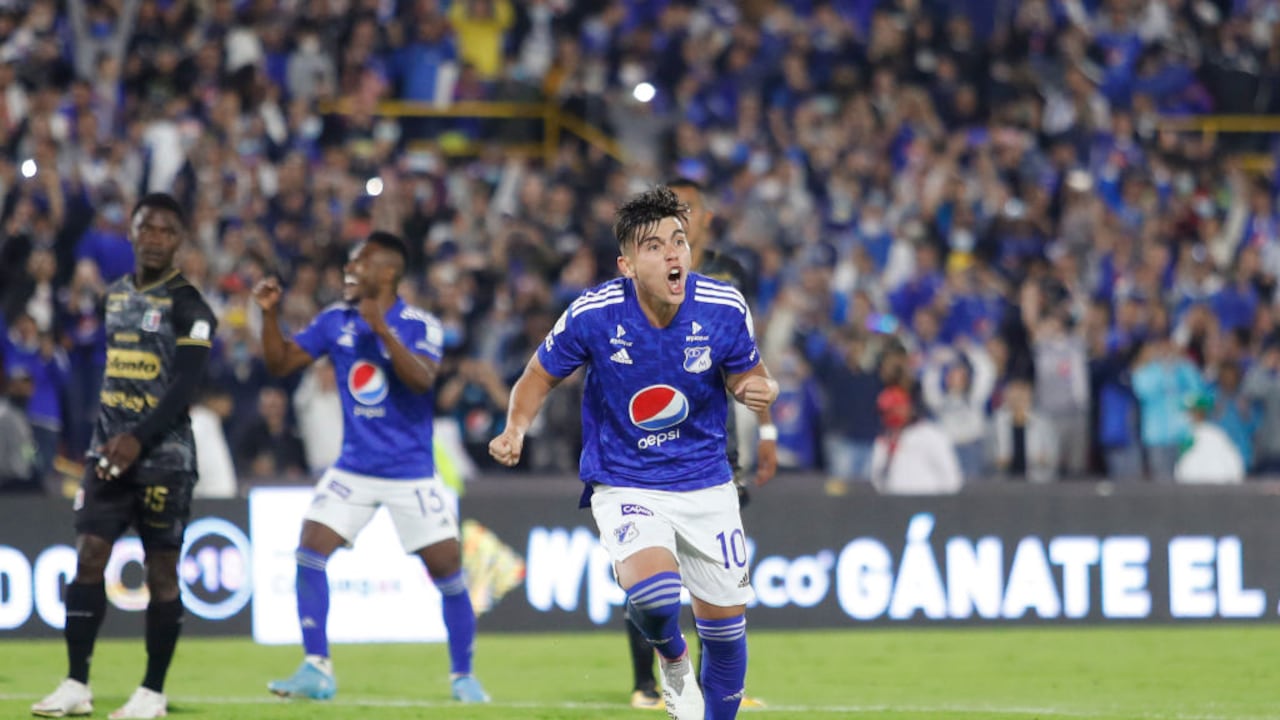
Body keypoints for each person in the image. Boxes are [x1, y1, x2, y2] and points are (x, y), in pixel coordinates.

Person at [490, 186, 780, 720]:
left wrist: (758, 391)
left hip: (706, 483)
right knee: (655, 598)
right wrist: (515, 428)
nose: (674, 254)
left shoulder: (723, 306)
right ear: (627, 264)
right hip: (626, 481)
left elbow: (747, 375)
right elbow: (537, 375)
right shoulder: (594, 314)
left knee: (727, 631)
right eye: (655, 246)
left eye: (679, 241)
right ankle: (672, 660)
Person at [253, 231, 489, 703]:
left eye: (359, 263)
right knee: (310, 548)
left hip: (411, 472)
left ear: (387, 272)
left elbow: (422, 381)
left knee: (448, 570)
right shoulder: (334, 320)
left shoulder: (420, 324)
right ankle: (316, 668)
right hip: (354, 468)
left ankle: (463, 677)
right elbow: (281, 364)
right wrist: (269, 315)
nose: (348, 270)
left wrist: (381, 330)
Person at [32, 193, 218, 720]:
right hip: (107, 455)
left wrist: (139, 437)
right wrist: (107, 440)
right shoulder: (113, 296)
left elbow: (186, 385)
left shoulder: (190, 306)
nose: (156, 237)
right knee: (89, 556)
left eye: (166, 230)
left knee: (162, 571)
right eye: (147, 228)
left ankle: (151, 692)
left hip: (164, 457)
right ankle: (75, 684)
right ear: (132, 234)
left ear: (178, 240)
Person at [618, 177, 777, 711]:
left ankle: (715, 694)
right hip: (646, 450)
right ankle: (650, 679)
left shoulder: (730, 279)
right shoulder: (639, 280)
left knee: (716, 585)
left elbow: (749, 355)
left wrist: (767, 430)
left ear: (704, 218)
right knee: (652, 581)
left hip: (716, 444)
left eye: (689, 213)